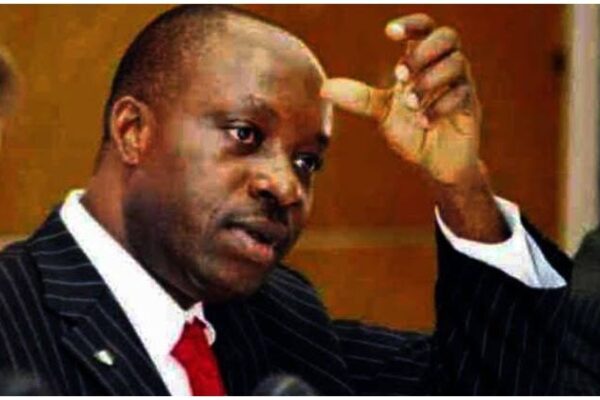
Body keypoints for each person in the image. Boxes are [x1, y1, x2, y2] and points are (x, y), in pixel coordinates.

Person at [0, 5, 571, 395]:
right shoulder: (13, 320)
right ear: (133, 131)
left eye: (307, 162)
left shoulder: (279, 317)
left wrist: (461, 185)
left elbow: (502, 384)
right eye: (245, 134)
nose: (286, 185)